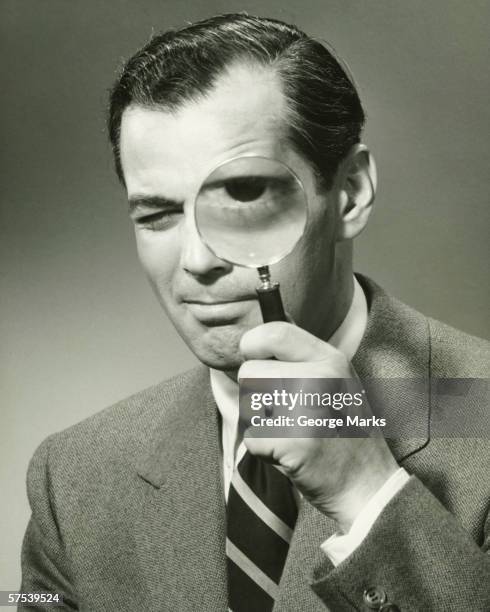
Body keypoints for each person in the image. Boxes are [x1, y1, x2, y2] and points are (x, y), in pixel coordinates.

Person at [20, 13, 489, 612]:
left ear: (349, 193)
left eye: (244, 195)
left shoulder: (484, 412)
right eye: (158, 214)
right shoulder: (74, 475)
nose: (196, 260)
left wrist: (365, 493)